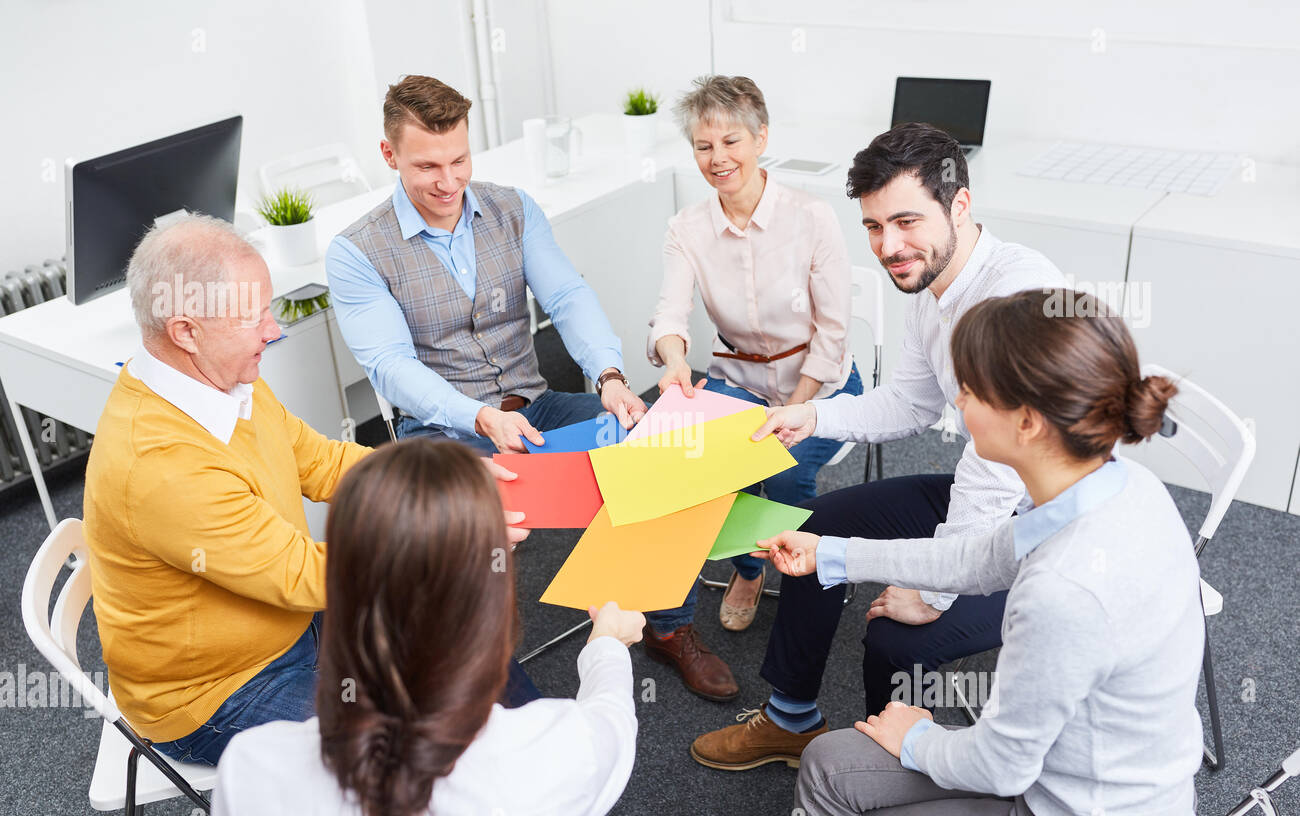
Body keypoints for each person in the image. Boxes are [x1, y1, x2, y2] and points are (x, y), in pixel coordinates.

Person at [766, 288, 1203, 816]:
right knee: (828, 762)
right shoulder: (1122, 486)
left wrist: (918, 739)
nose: (959, 401)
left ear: (1025, 422)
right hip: (1065, 772)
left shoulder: (1064, 590)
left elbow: (1002, 766)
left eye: (971, 390)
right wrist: (831, 555)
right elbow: (976, 559)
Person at [83, 215, 533, 767]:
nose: (273, 330)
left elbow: (322, 461)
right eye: (253, 318)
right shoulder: (159, 464)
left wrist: (441, 478)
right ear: (185, 331)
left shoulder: (219, 380)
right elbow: (303, 575)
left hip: (292, 622)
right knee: (413, 746)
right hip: (221, 691)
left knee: (462, 641)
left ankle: (536, 766)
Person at [690, 123, 1066, 771]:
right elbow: (911, 403)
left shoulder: (1015, 291)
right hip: (994, 504)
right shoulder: (930, 284)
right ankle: (792, 720)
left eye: (905, 221)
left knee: (894, 636)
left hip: (1051, 534)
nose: (888, 247)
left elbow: (993, 469)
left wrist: (936, 589)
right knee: (817, 529)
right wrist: (811, 416)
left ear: (961, 205)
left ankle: (872, 797)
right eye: (872, 227)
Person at [207, 440, 645, 816]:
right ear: (492, 604)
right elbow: (612, 714)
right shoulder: (561, 752)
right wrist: (607, 643)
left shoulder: (252, 771)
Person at [640, 75, 863, 702]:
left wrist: (794, 410)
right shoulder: (687, 227)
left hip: (822, 384)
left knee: (784, 471)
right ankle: (746, 567)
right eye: (703, 146)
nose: (718, 159)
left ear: (761, 138)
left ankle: (794, 572)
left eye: (731, 140)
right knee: (699, 465)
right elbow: (669, 315)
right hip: (735, 380)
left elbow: (834, 334)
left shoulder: (811, 217)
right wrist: (674, 360)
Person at [326, 75, 647, 455]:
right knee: (504, 512)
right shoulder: (356, 251)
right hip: (441, 435)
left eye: (459, 160)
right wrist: (481, 417)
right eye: (428, 166)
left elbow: (567, 296)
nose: (449, 182)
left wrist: (608, 376)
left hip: (537, 412)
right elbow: (390, 365)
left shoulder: (514, 209)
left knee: (651, 441)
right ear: (389, 154)